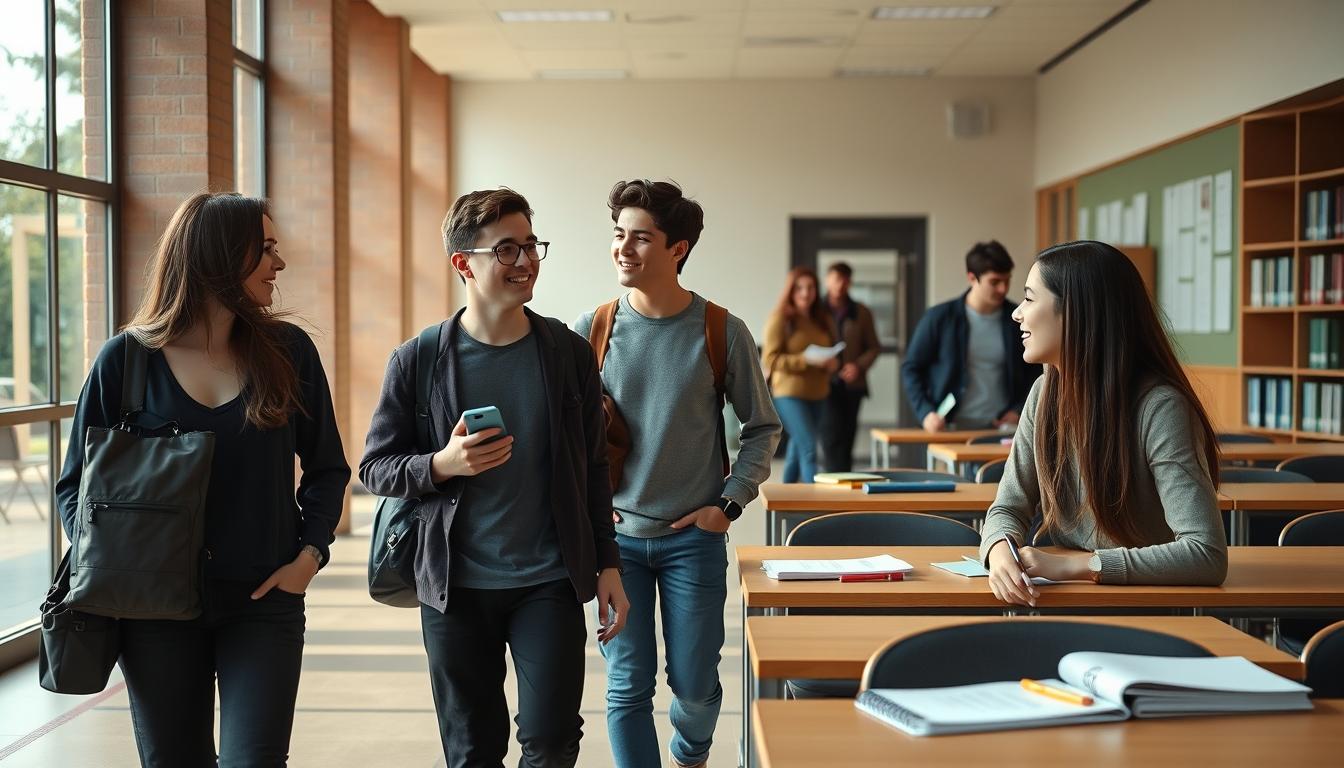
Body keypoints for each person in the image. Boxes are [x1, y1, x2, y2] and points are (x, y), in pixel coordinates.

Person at [55, 192, 351, 767]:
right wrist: (111, 559)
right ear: (219, 256)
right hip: (152, 612)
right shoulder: (125, 361)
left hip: (265, 600)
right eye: (265, 249)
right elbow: (75, 487)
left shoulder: (289, 352)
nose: (279, 264)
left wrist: (310, 555)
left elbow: (327, 467)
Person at [360, 188, 628, 768]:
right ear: (464, 263)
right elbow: (376, 466)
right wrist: (441, 464)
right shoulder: (420, 358)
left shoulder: (566, 353)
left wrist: (608, 562)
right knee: (472, 748)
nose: (526, 262)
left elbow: (593, 466)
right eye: (506, 250)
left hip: (549, 580)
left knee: (553, 740)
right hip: (455, 586)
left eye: (532, 246)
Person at [573, 179, 780, 768]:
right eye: (619, 235)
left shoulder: (720, 329)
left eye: (641, 237)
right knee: (627, 685)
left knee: (693, 683)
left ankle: (690, 755)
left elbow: (763, 427)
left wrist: (731, 503)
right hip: (616, 544)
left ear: (678, 249)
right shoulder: (594, 329)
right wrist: (589, 510)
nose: (624, 248)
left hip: (694, 538)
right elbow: (566, 437)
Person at [979, 240, 1227, 607]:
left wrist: (1079, 566)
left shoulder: (1160, 408)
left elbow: (1205, 554)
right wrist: (999, 551)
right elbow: (1006, 509)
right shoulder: (1044, 392)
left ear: (1076, 313)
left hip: (1144, 610)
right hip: (1063, 605)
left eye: (1030, 299)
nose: (1017, 313)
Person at [901, 240, 1041, 432]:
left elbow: (1035, 371)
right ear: (972, 278)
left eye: (1007, 280)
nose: (1003, 288)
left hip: (1002, 428)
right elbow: (911, 368)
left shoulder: (1017, 317)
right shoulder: (940, 317)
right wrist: (925, 412)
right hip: (949, 426)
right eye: (994, 282)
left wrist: (1019, 409)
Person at [763, 267, 838, 483]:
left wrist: (831, 364)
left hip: (819, 394)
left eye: (810, 288)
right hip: (789, 394)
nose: (805, 293)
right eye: (799, 288)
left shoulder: (822, 320)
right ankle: (813, 509)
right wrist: (805, 360)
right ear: (791, 291)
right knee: (809, 448)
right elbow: (770, 359)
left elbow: (830, 349)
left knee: (798, 448)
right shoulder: (780, 319)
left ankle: (786, 501)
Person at [818, 262, 882, 472]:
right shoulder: (817, 310)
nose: (840, 285)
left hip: (853, 384)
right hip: (824, 384)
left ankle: (845, 485)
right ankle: (832, 485)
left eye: (845, 280)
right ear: (827, 280)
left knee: (847, 438)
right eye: (836, 279)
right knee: (830, 437)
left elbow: (873, 347)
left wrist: (858, 366)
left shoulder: (861, 312)